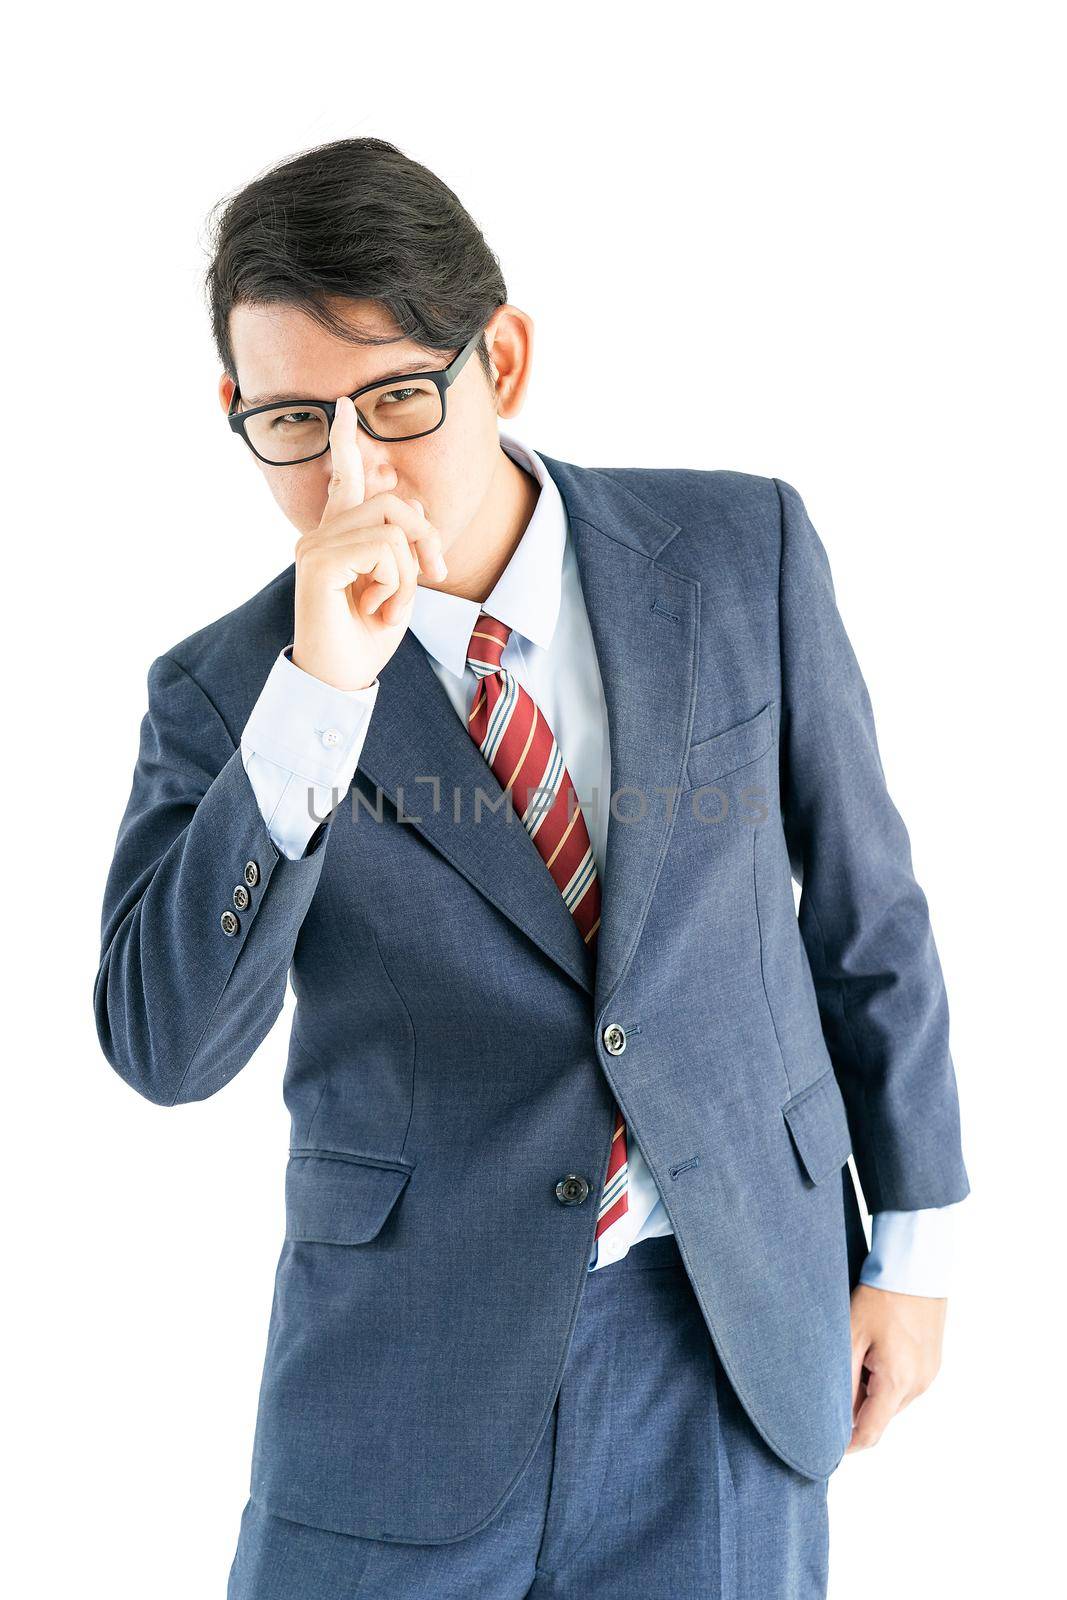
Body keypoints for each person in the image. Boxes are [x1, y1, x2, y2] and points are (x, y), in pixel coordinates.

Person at [93, 137, 971, 1599]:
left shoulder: (740, 546)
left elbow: (868, 913)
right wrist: (320, 693)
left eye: (394, 400)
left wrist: (921, 1247)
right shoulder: (225, 691)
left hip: (731, 1328)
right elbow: (166, 1046)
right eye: (295, 424)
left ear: (500, 352)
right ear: (235, 413)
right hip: (400, 1378)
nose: (351, 470)